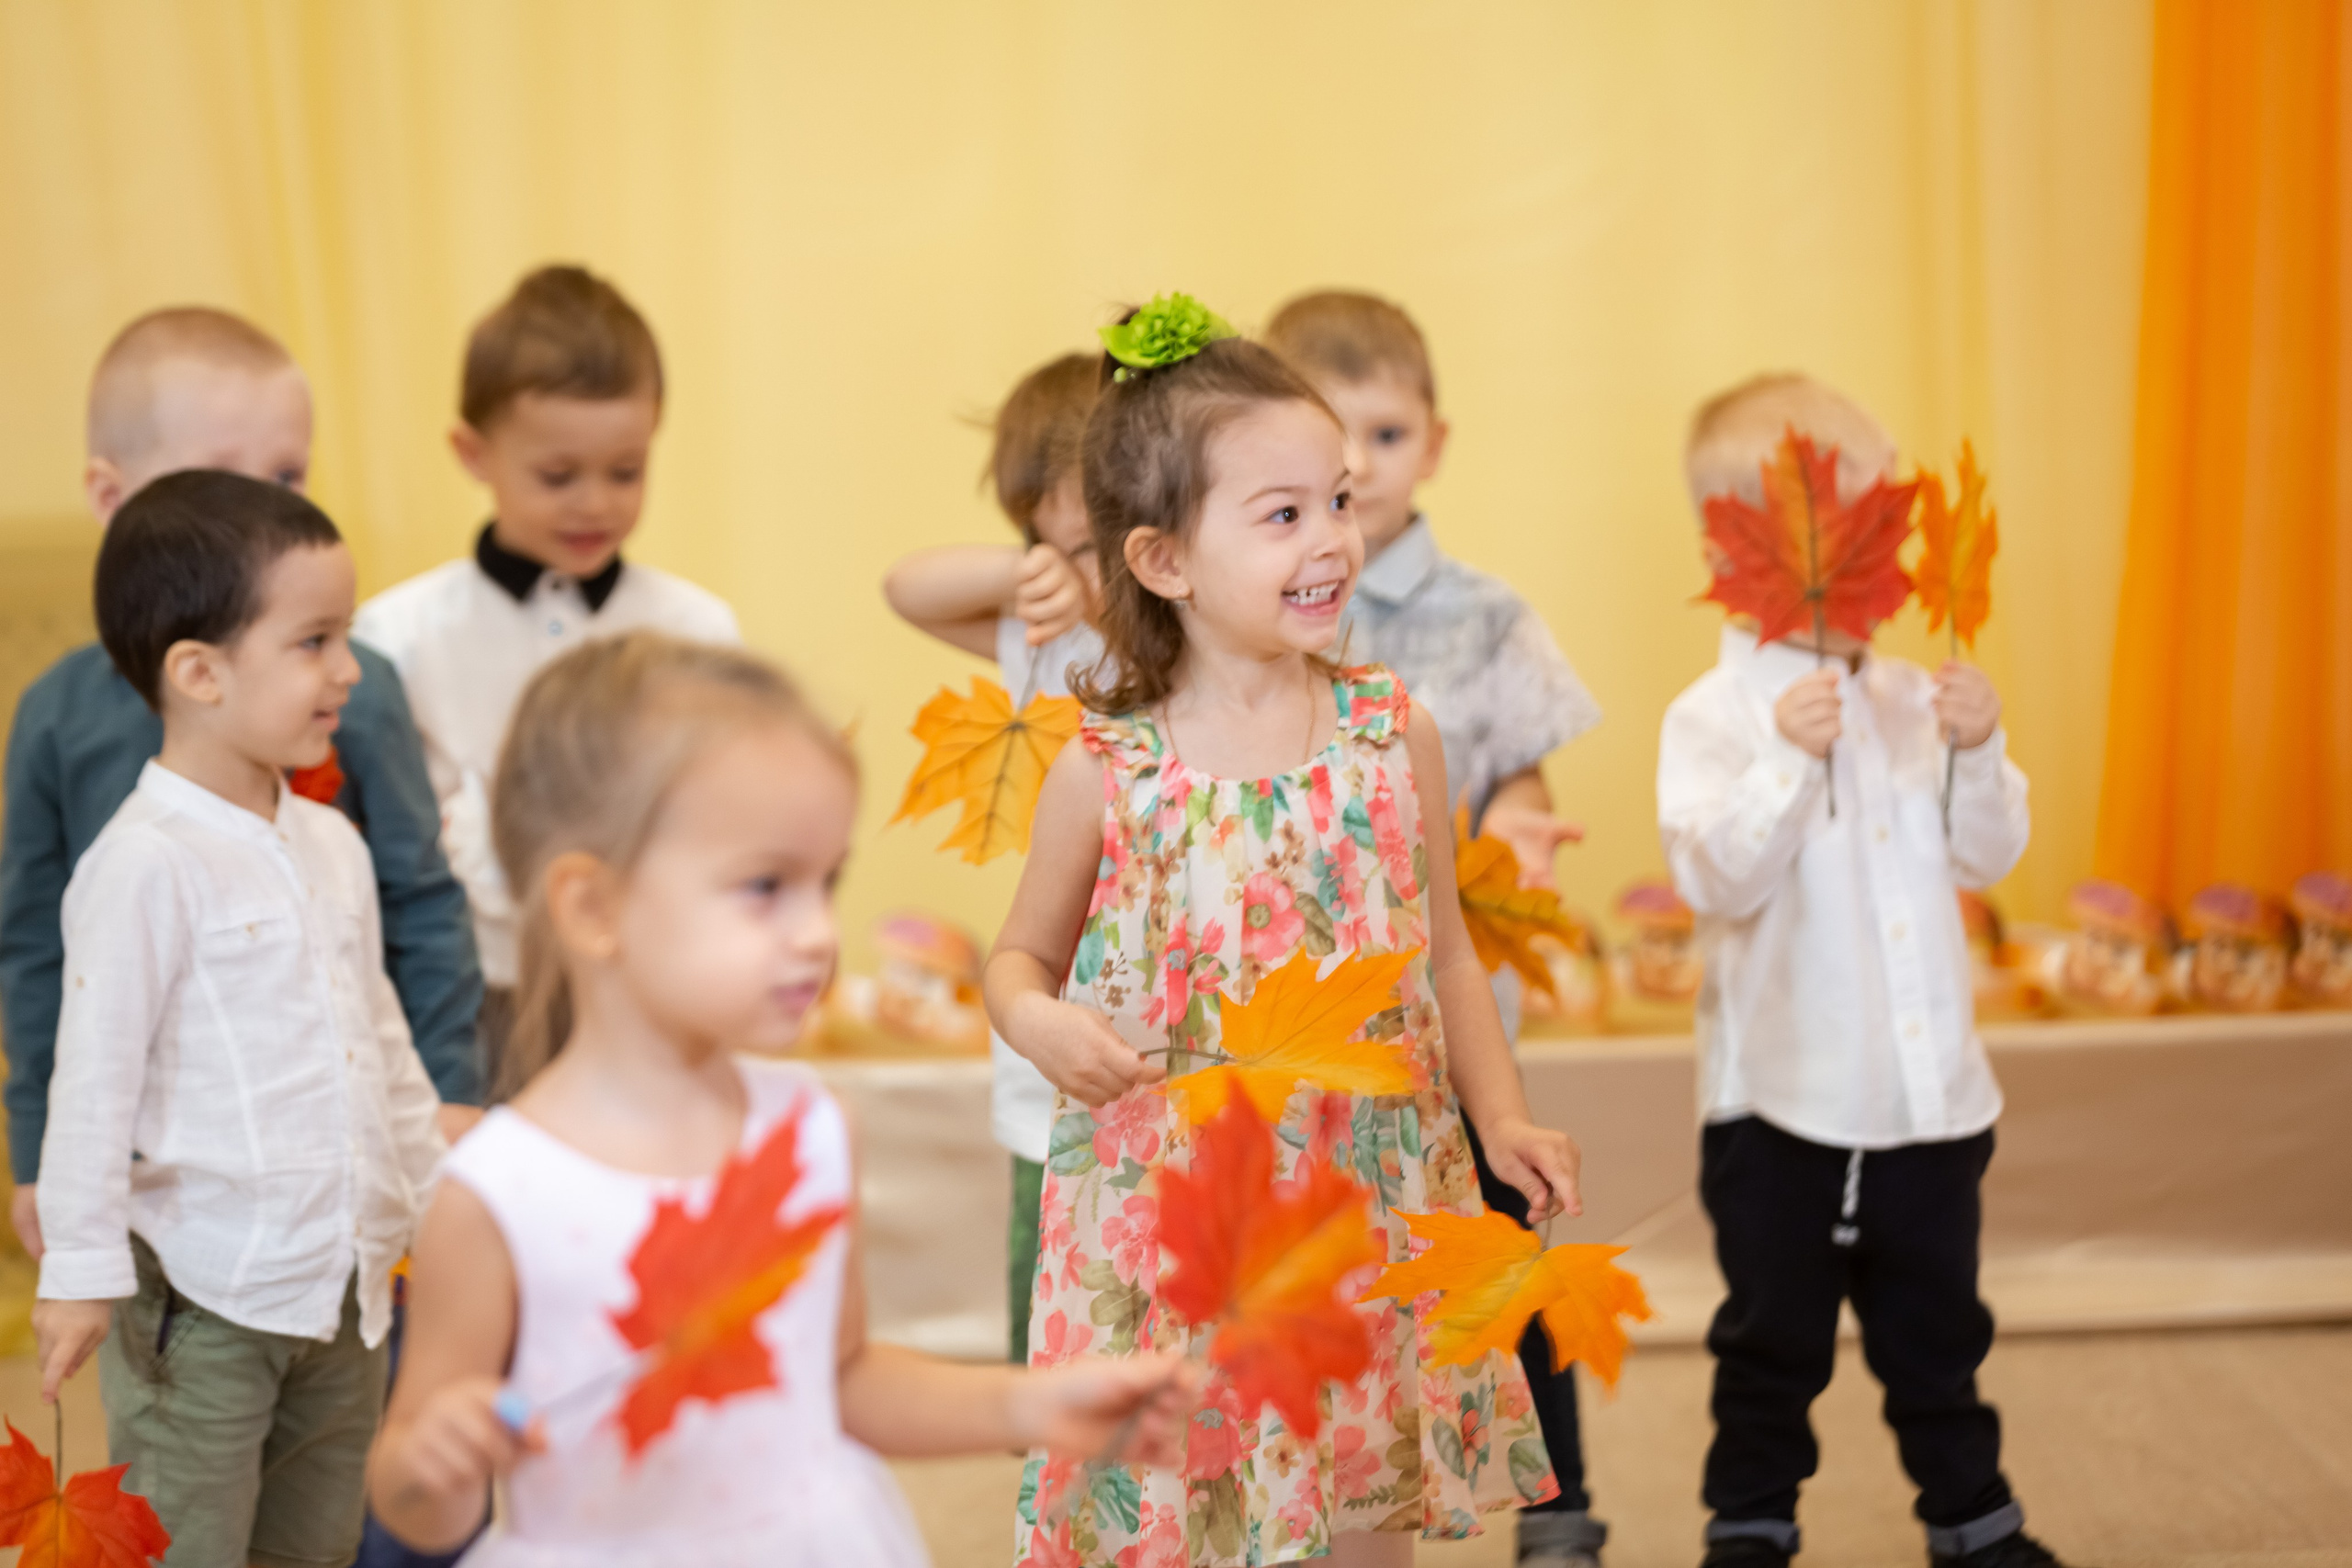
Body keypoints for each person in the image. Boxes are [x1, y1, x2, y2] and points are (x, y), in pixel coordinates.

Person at [364, 632, 1194, 1568]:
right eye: (765, 887)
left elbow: (836, 1380)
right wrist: (431, 1466)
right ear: (593, 908)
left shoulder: (808, 1127)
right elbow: (414, 1500)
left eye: (824, 883)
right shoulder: (493, 1191)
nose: (816, 935)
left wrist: (1027, 1403)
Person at [988, 298, 1585, 1568]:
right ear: (1163, 562)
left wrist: (1505, 1120)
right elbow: (1016, 960)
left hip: (1365, 1194)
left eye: (1341, 501)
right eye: (1283, 514)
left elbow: (1447, 953)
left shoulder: (1390, 732)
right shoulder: (1108, 769)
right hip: (1183, 1213)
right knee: (1192, 1507)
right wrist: (1041, 1023)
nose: (1332, 541)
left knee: (1365, 1499)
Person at [1659, 374, 2072, 1568]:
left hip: (1928, 1104)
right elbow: (1714, 878)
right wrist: (1788, 762)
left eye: (1881, 521)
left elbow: (1988, 850)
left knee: (1938, 1328)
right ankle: (1750, 1522)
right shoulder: (1716, 715)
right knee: (1770, 1339)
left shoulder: (1907, 697)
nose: (1865, 558)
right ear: (1739, 546)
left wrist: (1978, 746)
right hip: (1785, 1109)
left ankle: (1972, 1517)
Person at [1, 308, 482, 1261]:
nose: (266, 507)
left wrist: (451, 1092)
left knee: (353, 1387)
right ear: (112, 495)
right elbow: (36, 948)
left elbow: (421, 904)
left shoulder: (358, 690)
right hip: (163, 1173)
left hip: (337, 1158)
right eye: (222, 478)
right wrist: (35, 1152)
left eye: (289, 476)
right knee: (183, 1388)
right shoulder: (57, 715)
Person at [32, 470, 448, 1568]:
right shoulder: (144, 864)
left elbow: (384, 1049)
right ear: (200, 673)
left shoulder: (334, 849)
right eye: (314, 641)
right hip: (204, 1305)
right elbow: (94, 1076)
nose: (348, 669)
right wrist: (76, 1269)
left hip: (346, 1296)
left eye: (345, 636)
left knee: (311, 1549)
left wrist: (436, 1204)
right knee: (185, 1546)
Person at [1266, 288, 1606, 1568]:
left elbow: (1523, 777)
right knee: (1350, 1293)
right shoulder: (1266, 601)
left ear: (1438, 441)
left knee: (1501, 1257)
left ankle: (1561, 1506)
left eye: (1386, 439)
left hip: (1453, 1019)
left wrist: (1519, 825)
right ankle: (1329, 1490)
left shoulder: (1488, 615)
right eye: (1322, 455)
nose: (1357, 474)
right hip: (1312, 1034)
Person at [353, 265, 738, 1092]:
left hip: (649, 985)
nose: (594, 502)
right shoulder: (396, 636)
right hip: (465, 999)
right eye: (558, 475)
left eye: (626, 471)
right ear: (473, 453)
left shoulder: (696, 631)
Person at [881, 350, 1104, 1362]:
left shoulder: (1207, 640)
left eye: (1095, 542)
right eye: (1046, 536)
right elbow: (910, 587)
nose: (1071, 567)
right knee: (1049, 1255)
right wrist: (1024, 574)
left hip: (1179, 1009)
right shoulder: (1044, 636)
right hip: (1055, 1008)